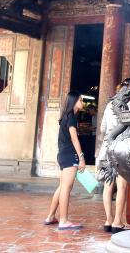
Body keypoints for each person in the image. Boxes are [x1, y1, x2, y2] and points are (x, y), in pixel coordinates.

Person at [97, 78, 130, 234]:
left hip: (108, 148)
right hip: (122, 149)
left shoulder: (109, 106)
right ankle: (117, 222)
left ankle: (108, 220)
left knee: (108, 185)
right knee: (121, 186)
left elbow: (102, 129)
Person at [44, 91, 85, 230]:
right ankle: (64, 220)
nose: (82, 102)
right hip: (69, 155)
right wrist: (81, 157)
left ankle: (50, 216)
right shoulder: (72, 117)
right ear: (74, 101)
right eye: (80, 99)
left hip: (62, 155)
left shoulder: (66, 117)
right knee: (66, 188)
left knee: (62, 187)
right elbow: (74, 139)